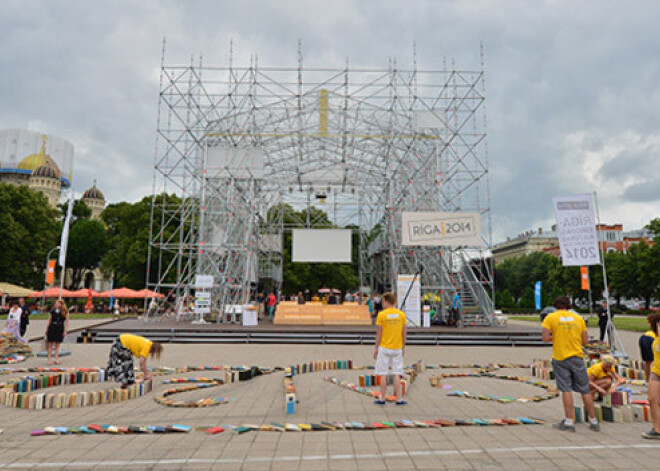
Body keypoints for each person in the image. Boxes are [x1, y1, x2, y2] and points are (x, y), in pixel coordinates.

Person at [542, 296, 599, 432]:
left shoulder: (550, 317)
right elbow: (585, 340)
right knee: (584, 389)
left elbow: (545, 338)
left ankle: (569, 421)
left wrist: (556, 337)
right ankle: (593, 420)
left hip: (560, 357)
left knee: (566, 389)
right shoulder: (578, 318)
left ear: (555, 305)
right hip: (577, 357)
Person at [373, 292, 407, 406]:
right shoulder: (401, 315)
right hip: (397, 347)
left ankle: (382, 398)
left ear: (387, 301)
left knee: (383, 373)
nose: (382, 304)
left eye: (383, 301)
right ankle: (398, 399)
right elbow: (404, 333)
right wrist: (403, 347)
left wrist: (376, 348)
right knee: (397, 373)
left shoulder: (381, 315)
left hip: (384, 347)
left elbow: (379, 333)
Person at [45, 299, 69, 365]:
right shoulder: (52, 311)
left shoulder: (65, 311)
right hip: (52, 327)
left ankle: (56, 359)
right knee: (50, 344)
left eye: (58, 303)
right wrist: (46, 329)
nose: (56, 304)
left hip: (60, 327)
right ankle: (49, 359)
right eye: (56, 303)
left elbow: (67, 321)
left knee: (57, 345)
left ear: (61, 304)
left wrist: (66, 330)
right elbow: (49, 320)